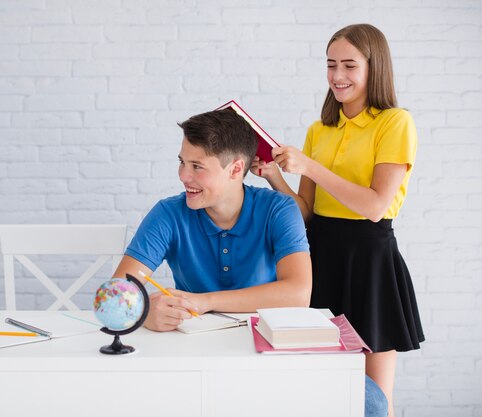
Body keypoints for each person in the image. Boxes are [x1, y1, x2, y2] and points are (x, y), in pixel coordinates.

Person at [113, 107, 388, 417]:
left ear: (235, 169)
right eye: (181, 162)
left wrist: (204, 301)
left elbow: (298, 294)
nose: (183, 176)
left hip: (273, 353)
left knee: (372, 403)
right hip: (196, 357)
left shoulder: (278, 210)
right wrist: (145, 311)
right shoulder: (168, 214)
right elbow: (118, 290)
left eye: (197, 166)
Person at [251, 24, 424, 417]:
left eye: (349, 65)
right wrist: (275, 176)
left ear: (373, 67)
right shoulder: (319, 130)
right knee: (319, 390)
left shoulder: (395, 123)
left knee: (374, 399)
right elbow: (306, 212)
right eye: (331, 65)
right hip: (319, 258)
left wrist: (310, 165)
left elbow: (376, 205)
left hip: (370, 261)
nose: (338, 76)